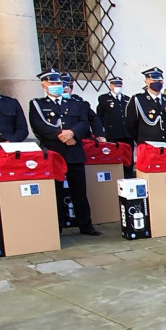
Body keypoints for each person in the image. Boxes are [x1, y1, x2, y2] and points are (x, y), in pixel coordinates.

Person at [28, 69, 102, 236]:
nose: (57, 86)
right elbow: (38, 126)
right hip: (54, 153)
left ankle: (85, 224)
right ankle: (58, 225)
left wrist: (72, 134)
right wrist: (61, 136)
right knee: (56, 192)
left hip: (74, 152)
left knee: (80, 191)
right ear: (44, 85)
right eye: (52, 83)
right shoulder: (38, 104)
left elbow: (84, 123)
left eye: (59, 83)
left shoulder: (75, 103)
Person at [125, 67, 166, 145]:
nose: (157, 82)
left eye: (160, 80)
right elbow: (131, 125)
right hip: (147, 146)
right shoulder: (138, 100)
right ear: (146, 82)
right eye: (154, 80)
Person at [97, 76, 134, 177]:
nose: (117, 87)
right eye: (115, 84)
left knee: (128, 158)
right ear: (110, 86)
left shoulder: (127, 99)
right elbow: (99, 116)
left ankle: (128, 176)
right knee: (114, 156)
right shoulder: (104, 98)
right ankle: (115, 176)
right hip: (112, 134)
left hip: (126, 134)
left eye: (119, 85)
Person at [61, 73, 105, 142]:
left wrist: (99, 134)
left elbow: (94, 118)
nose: (68, 88)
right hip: (65, 138)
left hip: (84, 139)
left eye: (70, 84)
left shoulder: (79, 101)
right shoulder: (54, 103)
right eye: (66, 85)